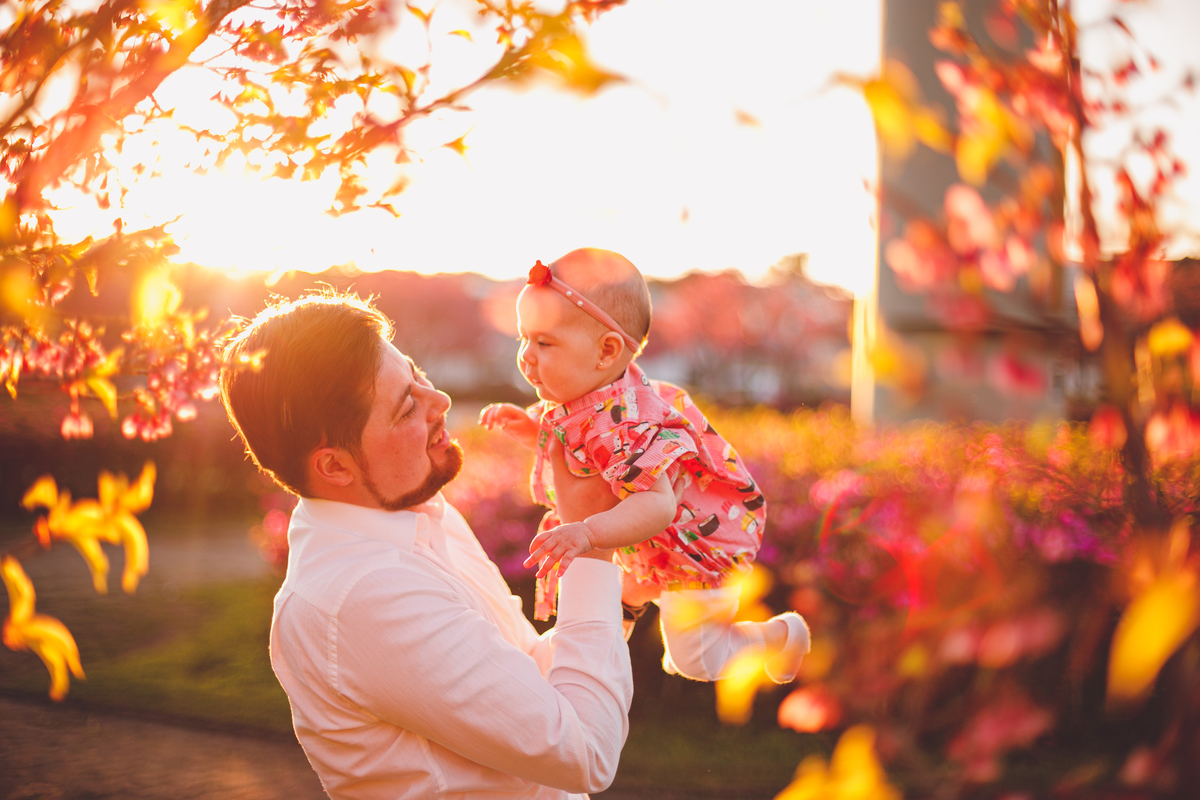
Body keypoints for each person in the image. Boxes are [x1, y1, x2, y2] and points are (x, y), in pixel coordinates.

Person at [219, 290, 633, 800]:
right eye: (406, 407)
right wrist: (592, 539)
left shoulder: (421, 513)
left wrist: (626, 599)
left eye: (416, 375)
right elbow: (583, 753)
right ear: (334, 467)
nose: (441, 402)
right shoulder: (360, 597)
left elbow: (526, 674)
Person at [479, 248, 810, 684]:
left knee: (697, 662)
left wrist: (588, 532)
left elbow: (658, 506)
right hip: (656, 549)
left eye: (544, 342)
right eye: (524, 338)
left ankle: (781, 635)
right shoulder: (594, 395)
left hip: (700, 545)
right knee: (606, 602)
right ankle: (605, 661)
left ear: (607, 351)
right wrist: (531, 429)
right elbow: (576, 437)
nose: (526, 355)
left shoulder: (632, 425)